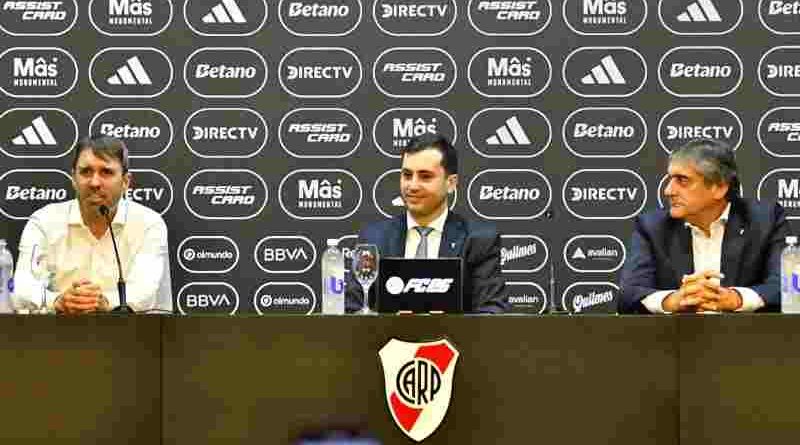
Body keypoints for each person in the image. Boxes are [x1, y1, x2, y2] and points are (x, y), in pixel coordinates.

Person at [619, 139, 791, 314]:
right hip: (677, 331)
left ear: (720, 187)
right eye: (670, 179)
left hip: (746, 331)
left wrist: (736, 299)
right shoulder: (652, 226)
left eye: (682, 180)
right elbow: (629, 294)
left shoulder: (765, 220)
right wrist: (673, 300)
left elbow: (786, 286)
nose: (668, 190)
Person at [345, 133, 509, 313]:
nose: (413, 186)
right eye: (407, 175)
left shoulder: (479, 240)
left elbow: (491, 311)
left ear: (451, 183)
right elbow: (353, 309)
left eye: (425, 176)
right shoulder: (374, 238)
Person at [12, 135, 172, 314]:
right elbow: (22, 287)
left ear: (125, 181)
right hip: (58, 328)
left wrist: (105, 301)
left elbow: (145, 291)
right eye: (86, 172)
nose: (95, 182)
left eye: (106, 172)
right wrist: (58, 301)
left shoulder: (148, 223)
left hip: (129, 329)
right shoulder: (44, 221)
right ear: (74, 178)